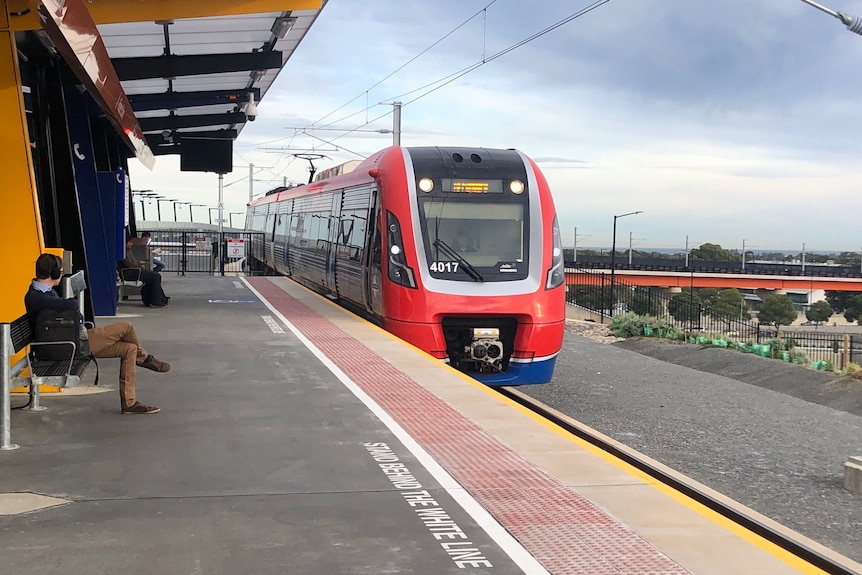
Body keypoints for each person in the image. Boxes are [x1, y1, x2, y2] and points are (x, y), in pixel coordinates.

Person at [25, 253, 170, 415]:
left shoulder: (42, 292)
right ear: (53, 273)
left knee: (129, 349)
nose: (61, 273)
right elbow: (72, 304)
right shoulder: (37, 297)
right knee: (126, 327)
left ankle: (129, 403)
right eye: (60, 270)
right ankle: (145, 359)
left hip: (75, 339)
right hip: (71, 346)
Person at [122, 239, 171, 308]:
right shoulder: (124, 253)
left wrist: (139, 263)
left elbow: (133, 262)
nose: (131, 244)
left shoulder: (128, 251)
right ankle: (156, 301)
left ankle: (155, 299)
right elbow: (130, 264)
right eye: (129, 242)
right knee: (156, 277)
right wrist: (139, 263)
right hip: (132, 273)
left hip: (135, 271)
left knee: (153, 278)